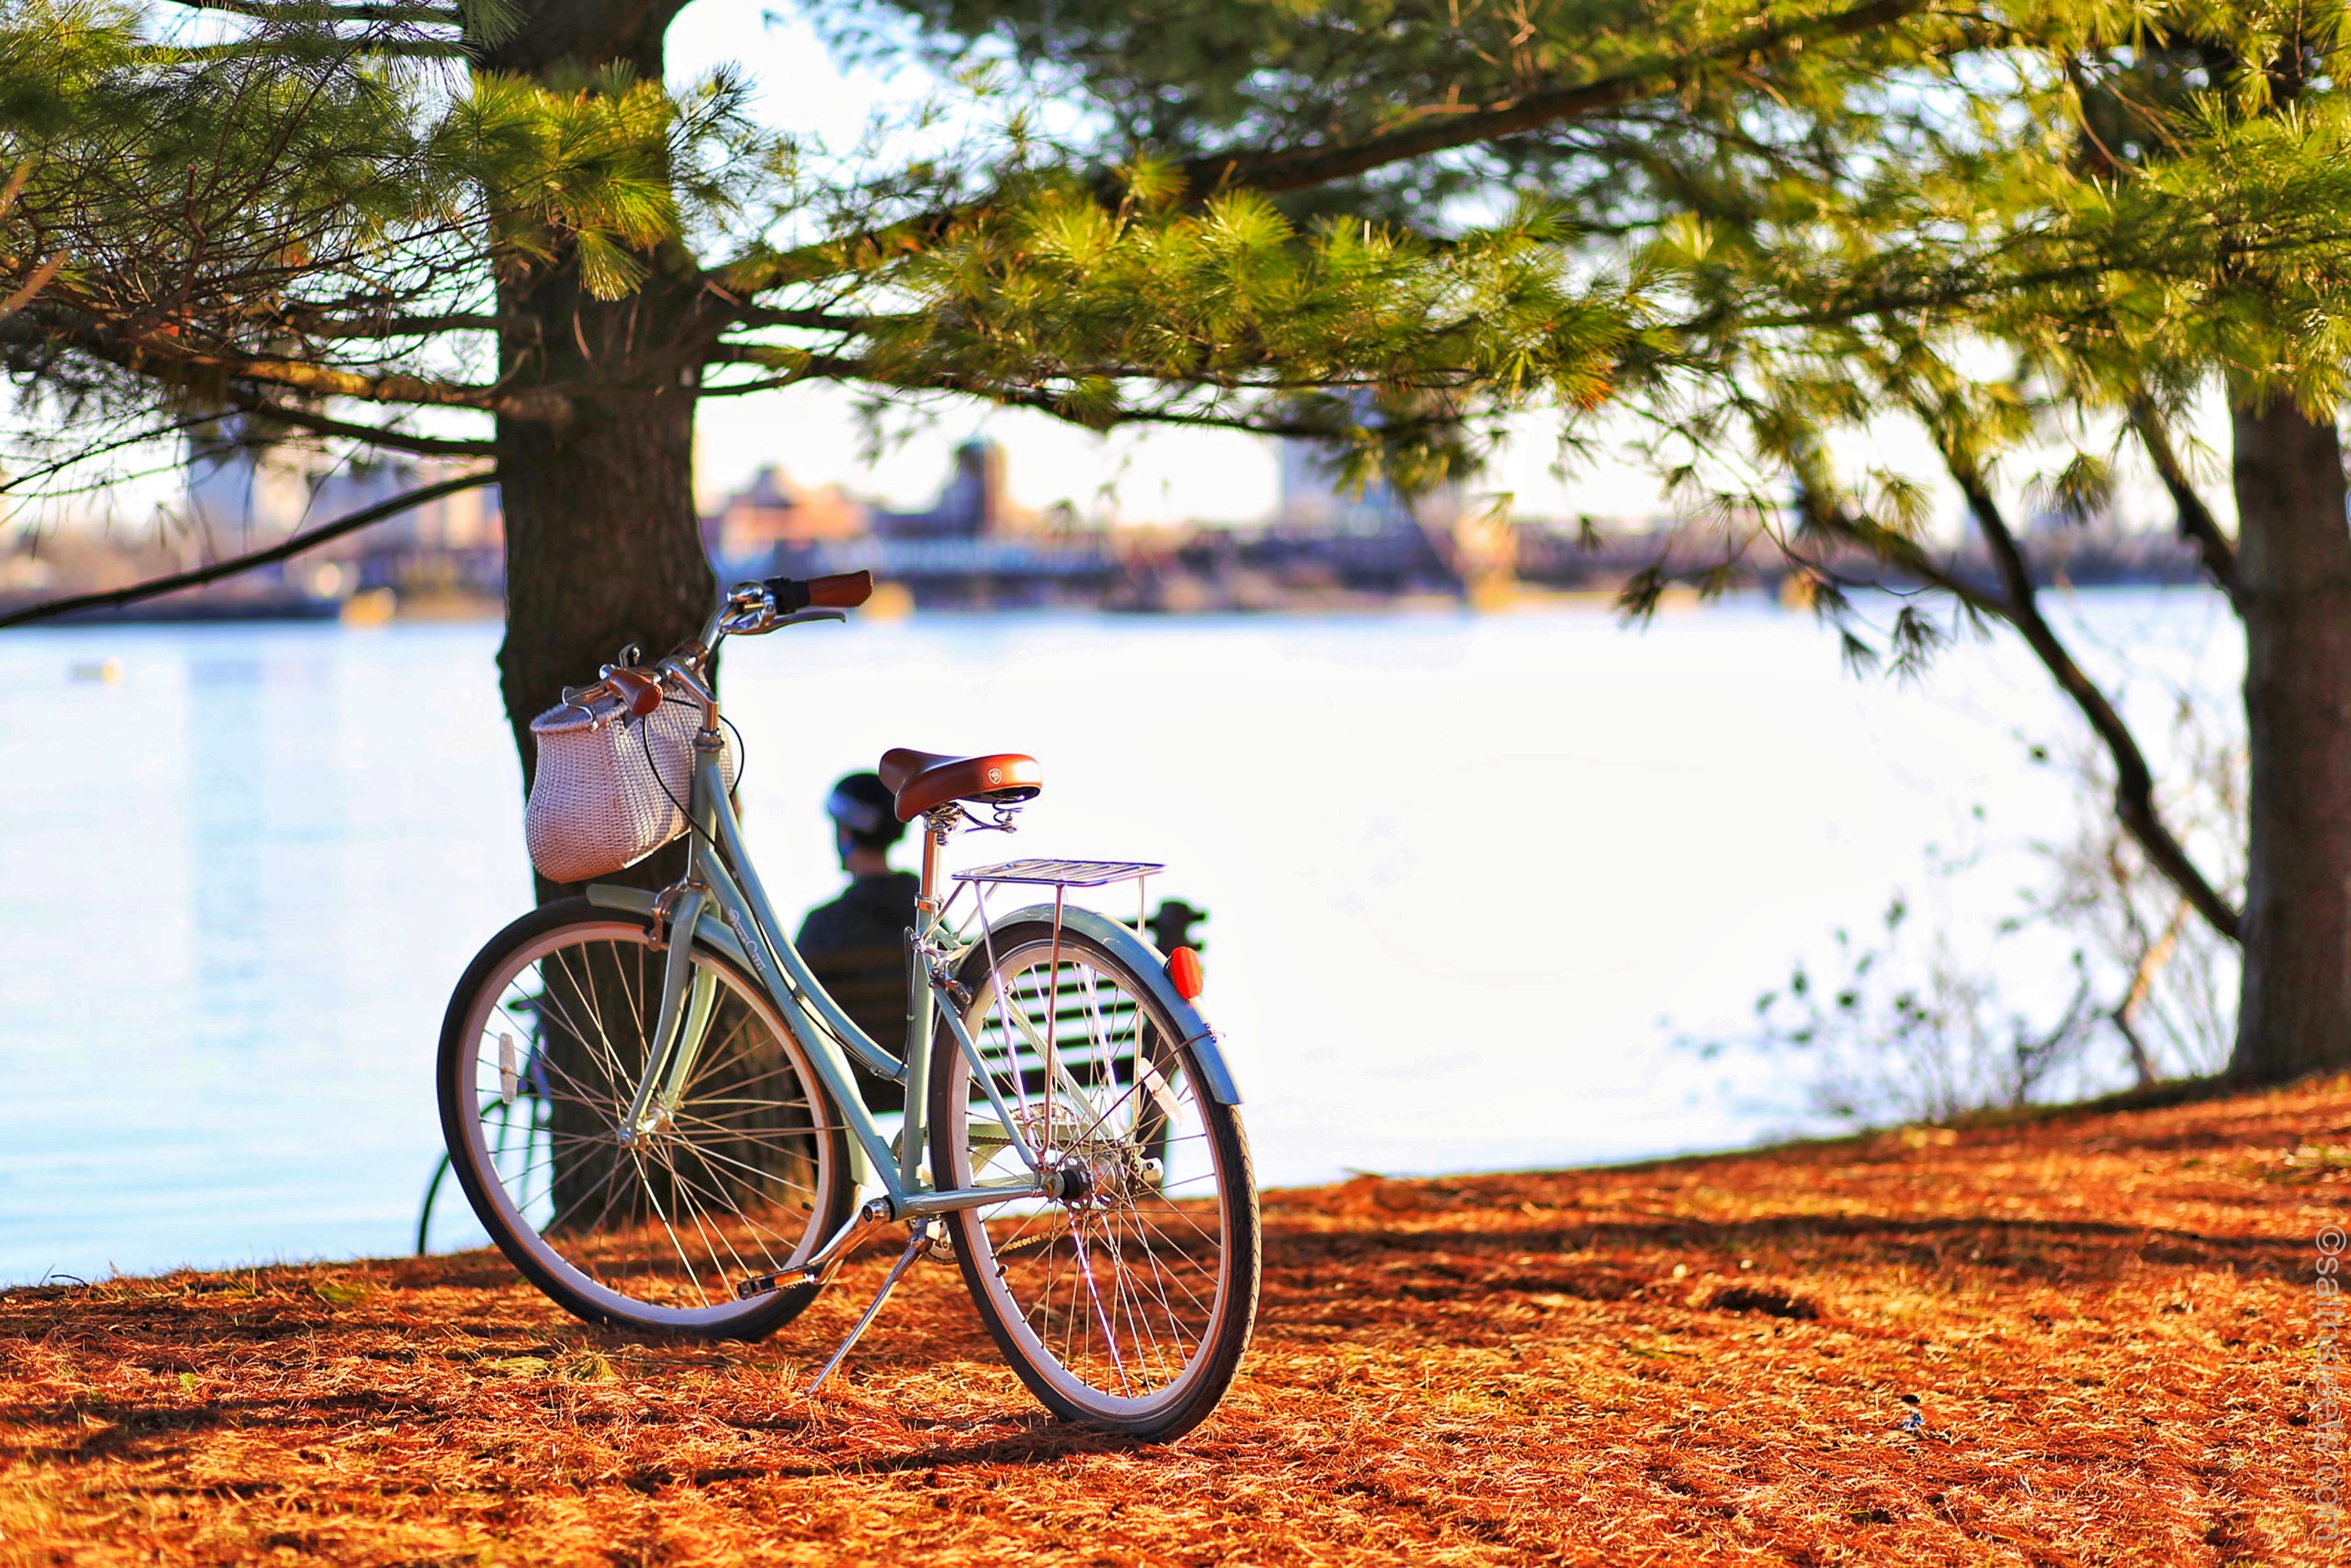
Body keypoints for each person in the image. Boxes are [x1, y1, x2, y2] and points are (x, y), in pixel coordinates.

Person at [796, 772, 918, 1107]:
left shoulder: (822, 926)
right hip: (922, 1075)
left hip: (841, 1081)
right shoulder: (927, 920)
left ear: (845, 832)